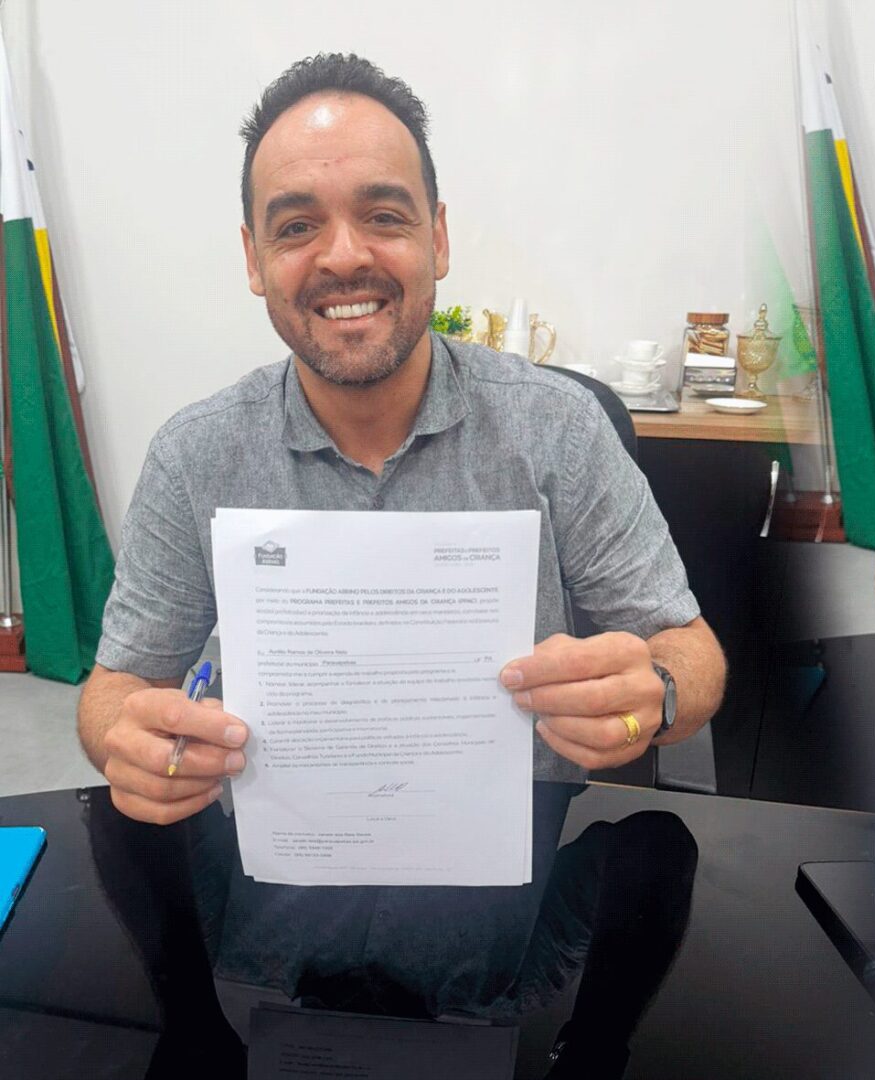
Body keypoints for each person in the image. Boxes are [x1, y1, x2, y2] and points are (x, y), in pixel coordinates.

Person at [76, 54, 726, 826]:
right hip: (285, 861)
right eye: (297, 227)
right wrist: (128, 741)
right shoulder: (194, 456)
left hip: (529, 858)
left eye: (384, 216)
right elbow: (116, 686)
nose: (344, 256)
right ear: (254, 259)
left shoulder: (559, 426)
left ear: (438, 239)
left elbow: (691, 650)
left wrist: (658, 693)